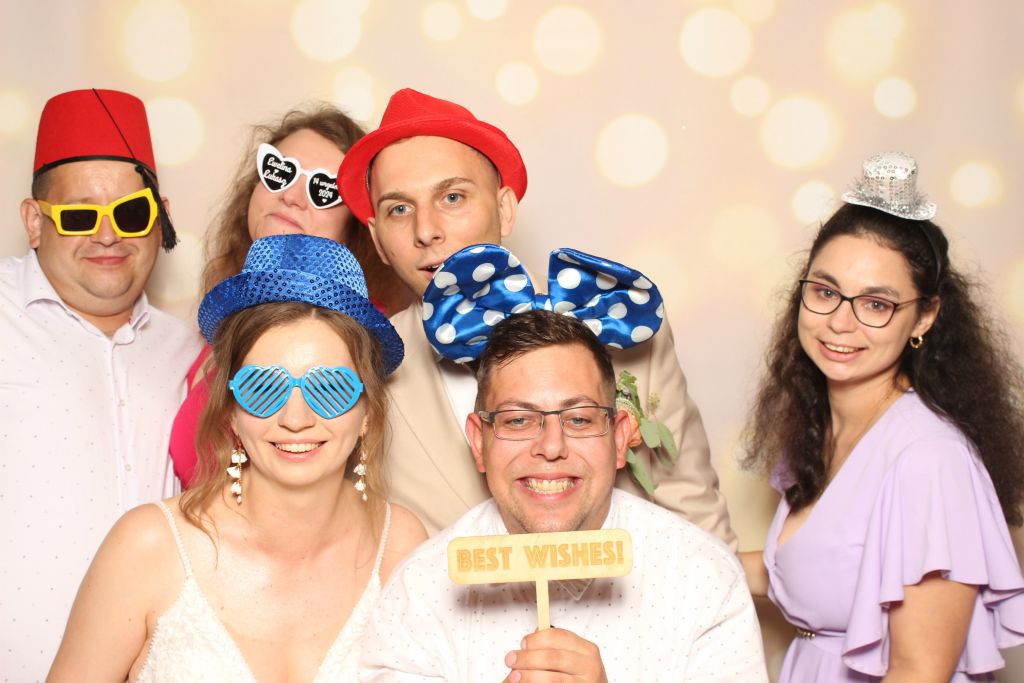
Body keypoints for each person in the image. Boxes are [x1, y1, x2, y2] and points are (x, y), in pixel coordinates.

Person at [337, 88, 736, 545]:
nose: (426, 231)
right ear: (378, 239)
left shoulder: (616, 319)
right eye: (399, 209)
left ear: (504, 209)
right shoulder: (366, 362)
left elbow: (696, 518)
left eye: (452, 197)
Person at [47, 234, 427, 681]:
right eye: (264, 388)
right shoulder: (147, 547)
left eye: (330, 388)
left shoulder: (400, 544)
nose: (296, 419)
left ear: (367, 411)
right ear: (230, 410)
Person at [358, 306, 767, 681]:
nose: (552, 446)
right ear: (480, 443)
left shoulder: (702, 579)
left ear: (619, 438)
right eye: (518, 420)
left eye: (579, 419)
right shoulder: (419, 592)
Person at [740, 152, 1024, 681]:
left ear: (925, 316)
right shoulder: (825, 428)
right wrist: (665, 554)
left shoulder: (930, 460)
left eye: (876, 304)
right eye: (825, 292)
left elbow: (919, 671)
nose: (839, 323)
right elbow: (810, 571)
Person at [0, 88, 201, 678]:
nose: (108, 235)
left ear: (159, 216)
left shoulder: (189, 352)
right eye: (80, 216)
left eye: (131, 213)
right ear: (35, 222)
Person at [170, 104, 412, 487]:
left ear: (356, 226)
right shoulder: (216, 321)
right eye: (279, 172)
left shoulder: (368, 340)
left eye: (323, 189)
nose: (292, 197)